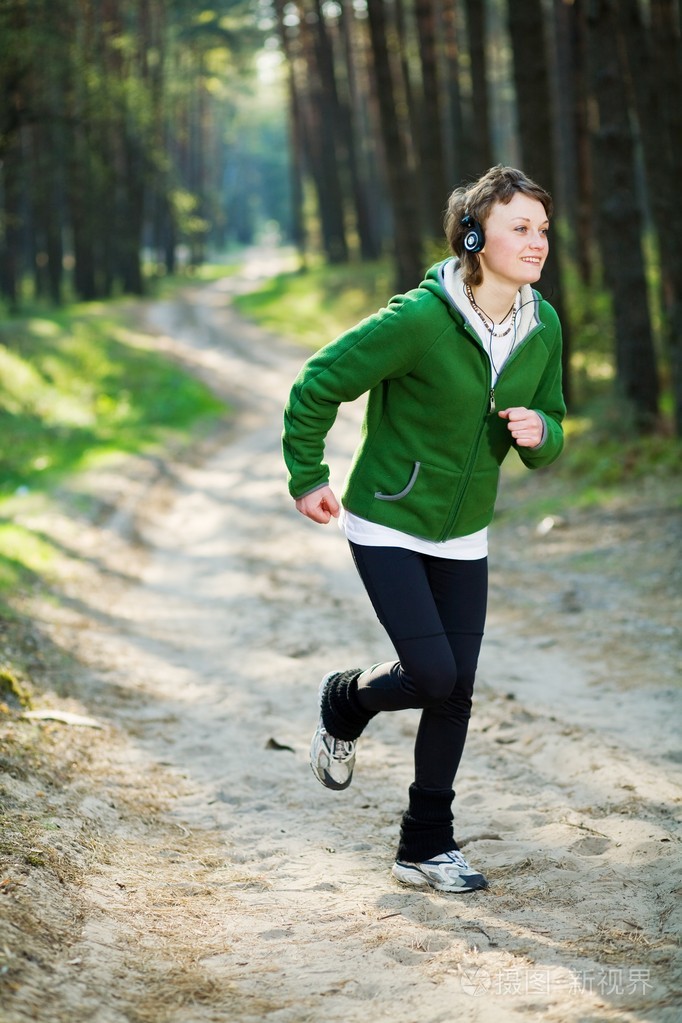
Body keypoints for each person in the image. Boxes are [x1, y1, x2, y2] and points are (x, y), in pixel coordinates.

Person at [282, 165, 566, 894]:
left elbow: (552, 427)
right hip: (387, 518)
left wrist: (543, 432)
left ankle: (425, 843)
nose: (538, 242)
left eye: (543, 228)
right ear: (474, 236)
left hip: (465, 531)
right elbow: (320, 381)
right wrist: (308, 475)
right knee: (433, 673)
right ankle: (346, 699)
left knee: (456, 689)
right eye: (520, 228)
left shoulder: (542, 326)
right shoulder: (419, 318)